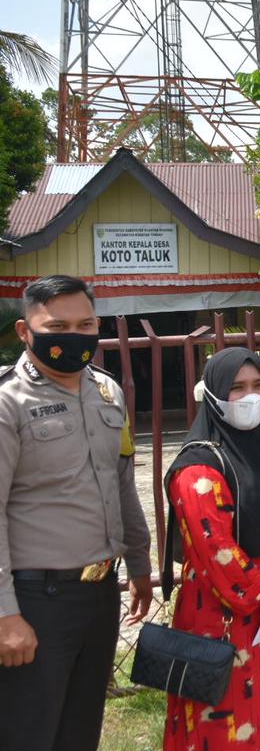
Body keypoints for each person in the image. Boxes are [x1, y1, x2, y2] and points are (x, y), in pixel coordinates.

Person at [0, 274, 151, 751]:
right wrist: (5, 616)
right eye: (57, 325)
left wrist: (140, 566)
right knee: (29, 733)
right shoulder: (8, 401)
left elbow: (122, 483)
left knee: (81, 730)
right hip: (35, 600)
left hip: (99, 592)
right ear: (26, 332)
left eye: (85, 324)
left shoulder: (108, 393)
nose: (74, 335)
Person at [162, 347, 260, 749]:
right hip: (224, 625)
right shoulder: (198, 468)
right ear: (214, 396)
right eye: (236, 388)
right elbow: (216, 551)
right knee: (219, 728)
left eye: (258, 386)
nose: (250, 396)